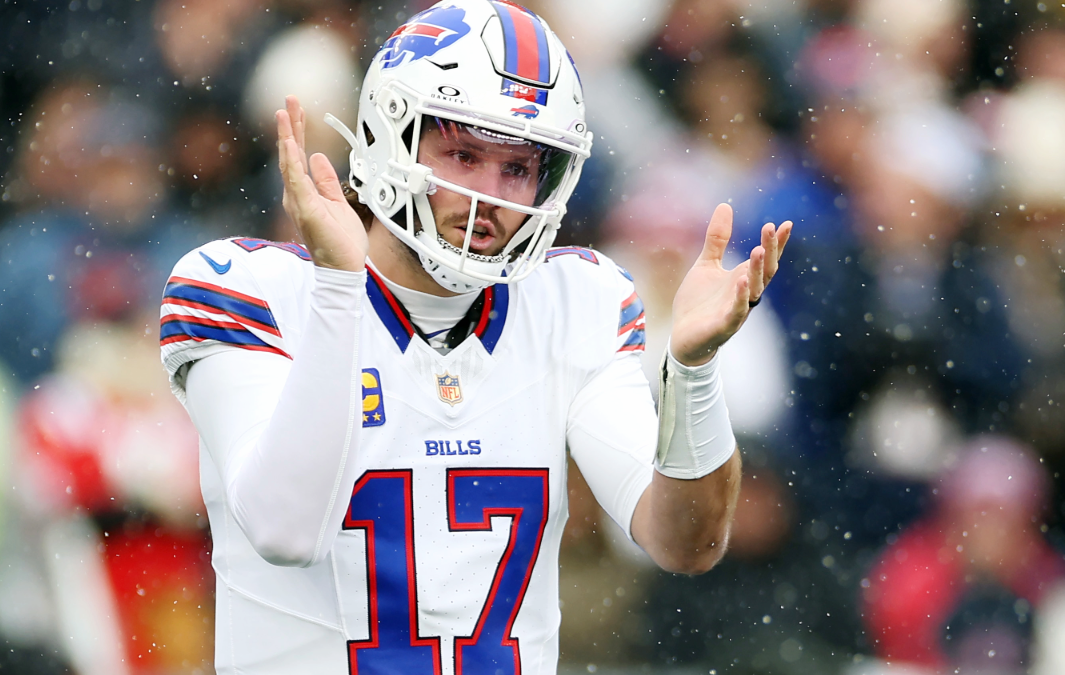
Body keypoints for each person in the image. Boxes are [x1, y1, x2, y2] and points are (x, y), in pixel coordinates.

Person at [160, 1, 792, 672]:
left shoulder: (573, 301)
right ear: (389, 136)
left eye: (518, 167)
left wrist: (692, 371)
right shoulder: (249, 290)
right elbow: (285, 530)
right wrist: (341, 293)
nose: (492, 195)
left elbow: (685, 543)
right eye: (463, 153)